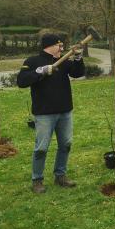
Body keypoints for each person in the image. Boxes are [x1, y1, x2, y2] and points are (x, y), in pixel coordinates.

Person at [17, 33, 85, 194]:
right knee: (41, 148)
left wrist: (78, 57)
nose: (62, 48)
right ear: (49, 46)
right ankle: (37, 180)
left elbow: (78, 73)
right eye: (59, 45)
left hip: (65, 111)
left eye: (62, 46)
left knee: (65, 145)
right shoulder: (32, 61)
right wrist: (40, 72)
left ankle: (60, 175)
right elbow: (21, 81)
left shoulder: (63, 62)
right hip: (44, 114)